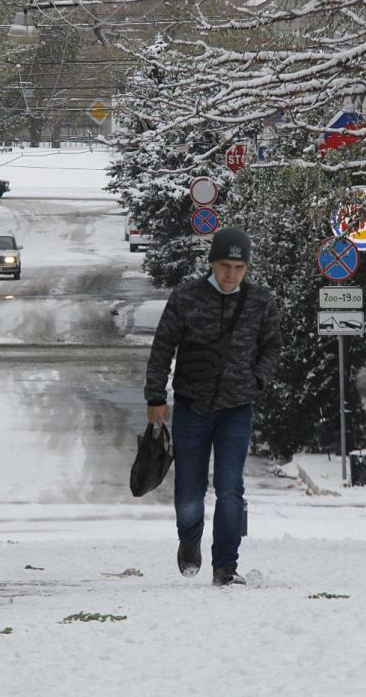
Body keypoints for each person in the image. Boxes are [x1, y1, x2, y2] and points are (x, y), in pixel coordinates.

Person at [144, 227, 282, 586]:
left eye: (238, 267)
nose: (230, 274)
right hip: (191, 406)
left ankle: (225, 566)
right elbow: (163, 347)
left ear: (247, 267)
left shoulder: (259, 301)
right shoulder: (187, 297)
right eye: (224, 265)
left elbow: (272, 345)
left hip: (236, 408)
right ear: (212, 263)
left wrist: (257, 380)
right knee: (189, 490)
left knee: (230, 487)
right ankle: (190, 540)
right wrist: (155, 397)